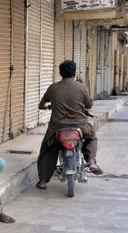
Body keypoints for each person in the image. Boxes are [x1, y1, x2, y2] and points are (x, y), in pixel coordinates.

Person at [36, 60, 102, 190]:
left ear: (60, 73)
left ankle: (43, 180)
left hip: (56, 128)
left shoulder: (53, 88)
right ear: (74, 72)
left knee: (47, 148)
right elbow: (89, 105)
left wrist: (48, 106)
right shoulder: (81, 87)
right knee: (92, 138)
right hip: (80, 126)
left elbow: (41, 104)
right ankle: (92, 161)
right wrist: (83, 87)